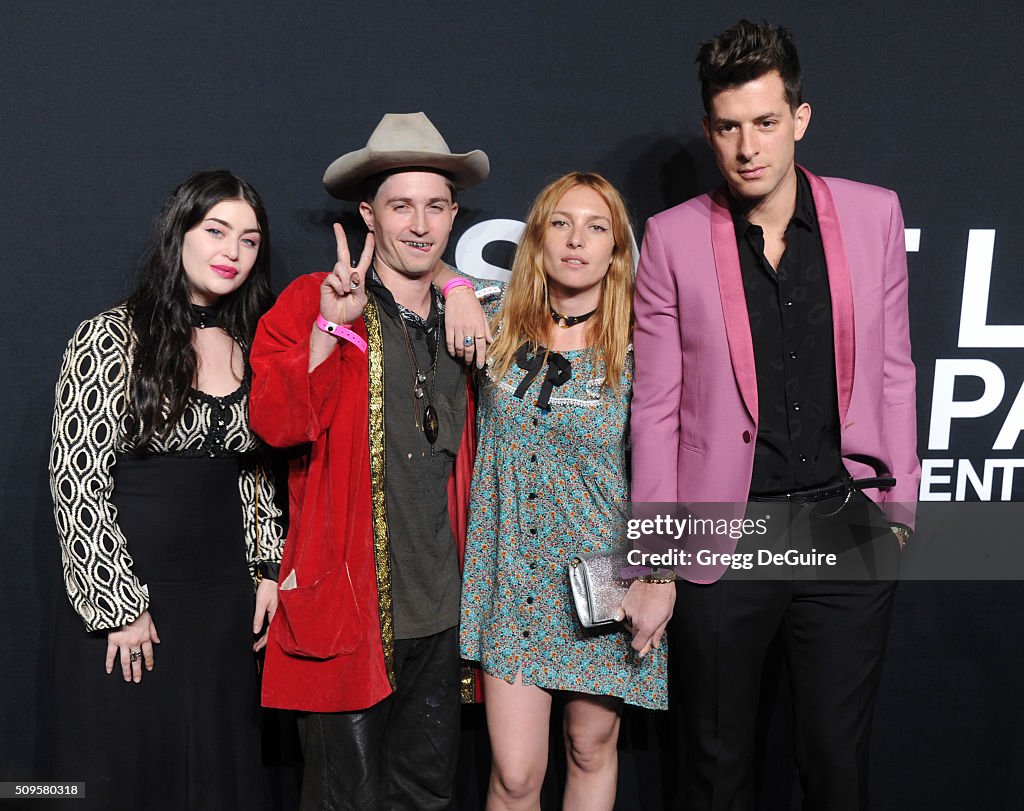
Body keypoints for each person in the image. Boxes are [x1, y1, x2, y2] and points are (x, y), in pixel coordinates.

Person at [627, 20, 920, 810]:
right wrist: (654, 560)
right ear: (708, 129)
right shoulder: (673, 238)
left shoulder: (872, 215)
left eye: (764, 122)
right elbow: (653, 410)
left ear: (800, 117)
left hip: (844, 524)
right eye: (728, 127)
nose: (747, 146)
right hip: (728, 534)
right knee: (716, 771)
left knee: (834, 765)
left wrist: (895, 507)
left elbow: (895, 366)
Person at [248, 112, 491, 811]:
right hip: (344, 614)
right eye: (400, 205)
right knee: (341, 799)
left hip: (441, 617)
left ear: (453, 215)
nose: (419, 224)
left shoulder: (465, 320)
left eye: (436, 206)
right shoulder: (315, 302)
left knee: (426, 796)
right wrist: (330, 328)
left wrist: (458, 285)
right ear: (368, 214)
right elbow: (272, 421)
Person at [47, 169, 286, 810]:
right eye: (216, 230)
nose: (232, 251)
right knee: (128, 768)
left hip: (222, 602)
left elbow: (254, 474)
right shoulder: (109, 336)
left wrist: (267, 568)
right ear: (178, 233)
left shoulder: (253, 343)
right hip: (132, 592)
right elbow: (76, 478)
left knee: (217, 772)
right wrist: (117, 605)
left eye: (250, 239)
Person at [459, 171, 667, 811]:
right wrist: (455, 285)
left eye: (597, 227)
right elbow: (417, 262)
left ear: (617, 249)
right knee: (516, 775)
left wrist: (661, 572)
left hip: (607, 573)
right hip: (513, 575)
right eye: (561, 223)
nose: (577, 241)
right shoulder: (493, 321)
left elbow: (678, 461)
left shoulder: (643, 341)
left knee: (590, 749)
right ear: (537, 239)